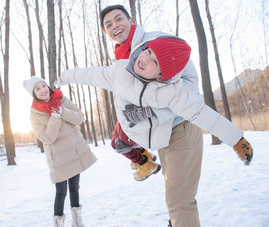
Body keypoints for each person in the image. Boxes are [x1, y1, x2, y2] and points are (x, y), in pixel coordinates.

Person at [55, 36, 253, 226]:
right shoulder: (120, 71)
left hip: (160, 133)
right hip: (132, 130)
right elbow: (89, 74)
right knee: (118, 142)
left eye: (155, 62)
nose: (145, 59)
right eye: (148, 51)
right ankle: (143, 162)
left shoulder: (172, 92)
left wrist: (236, 139)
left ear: (161, 76)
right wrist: (66, 76)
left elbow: (202, 113)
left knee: (175, 194)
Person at [100, 5, 203, 227]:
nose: (114, 26)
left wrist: (152, 111)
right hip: (160, 133)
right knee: (173, 197)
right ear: (105, 32)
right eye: (108, 24)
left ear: (131, 20)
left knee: (179, 201)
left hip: (181, 125)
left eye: (119, 19)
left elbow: (191, 84)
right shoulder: (121, 62)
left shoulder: (155, 40)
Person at [23, 76, 97, 227]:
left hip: (74, 153)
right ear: (34, 94)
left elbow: (79, 118)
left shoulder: (61, 99)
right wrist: (55, 116)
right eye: (37, 89)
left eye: (43, 85)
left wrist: (62, 110)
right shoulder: (35, 114)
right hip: (58, 159)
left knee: (75, 189)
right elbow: (47, 138)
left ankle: (77, 222)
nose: (43, 90)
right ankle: (58, 224)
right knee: (61, 193)